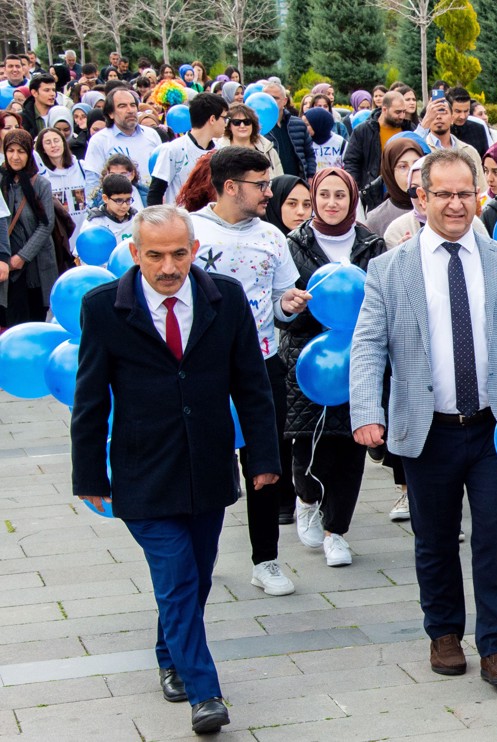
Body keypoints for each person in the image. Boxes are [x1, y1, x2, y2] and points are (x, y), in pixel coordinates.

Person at [70, 205, 281, 735]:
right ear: (135, 253)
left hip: (208, 466)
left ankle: (169, 652)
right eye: (156, 255)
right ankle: (204, 692)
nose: (169, 267)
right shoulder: (104, 308)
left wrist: (263, 457)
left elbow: (251, 385)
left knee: (198, 574)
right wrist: (90, 477)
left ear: (194, 249)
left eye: (179, 253)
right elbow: (90, 399)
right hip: (143, 472)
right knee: (177, 577)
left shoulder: (224, 297)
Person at [349, 148, 497, 688]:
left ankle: (496, 645)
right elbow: (368, 345)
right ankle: (443, 632)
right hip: (427, 428)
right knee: (434, 538)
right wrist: (367, 411)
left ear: (479, 195)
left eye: (465, 192)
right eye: (443, 193)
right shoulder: (389, 268)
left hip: (496, 427)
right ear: (421, 198)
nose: (456, 203)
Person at [192, 146, 308, 597]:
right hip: (201, 370)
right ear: (229, 187)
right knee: (205, 462)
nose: (268, 193)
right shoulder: (191, 229)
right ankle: (205, 549)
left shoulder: (273, 237)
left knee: (265, 464)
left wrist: (288, 305)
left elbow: (280, 299)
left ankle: (267, 560)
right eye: (260, 185)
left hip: (261, 365)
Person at [283, 167, 386, 567]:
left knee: (350, 445)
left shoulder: (371, 245)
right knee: (307, 440)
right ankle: (307, 499)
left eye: (340, 195)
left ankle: (336, 530)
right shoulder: (294, 243)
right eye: (322, 195)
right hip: (310, 359)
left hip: (359, 358)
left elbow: (380, 301)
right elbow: (283, 305)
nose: (331, 203)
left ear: (353, 199)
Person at [1, 129, 54, 325]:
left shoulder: (40, 184)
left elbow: (46, 225)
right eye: (11, 150)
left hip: (35, 266)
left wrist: (22, 257)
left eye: (21, 151)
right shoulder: (1, 182)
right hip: (5, 266)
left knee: (34, 321)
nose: (15, 156)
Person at [148, 92, 226, 206]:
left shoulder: (221, 151)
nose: (226, 124)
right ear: (213, 119)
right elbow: (155, 193)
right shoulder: (173, 149)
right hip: (180, 220)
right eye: (224, 118)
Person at [84, 88, 162, 195]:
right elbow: (93, 183)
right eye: (122, 106)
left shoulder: (151, 135)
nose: (130, 110)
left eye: (133, 105)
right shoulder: (99, 141)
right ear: (110, 113)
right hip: (119, 207)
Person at [345, 91, 412, 196]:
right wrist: (356, 191)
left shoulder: (409, 129)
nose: (402, 116)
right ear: (384, 109)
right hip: (372, 193)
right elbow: (351, 162)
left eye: (404, 112)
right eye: (398, 112)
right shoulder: (363, 131)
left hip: (402, 191)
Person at [416, 96, 485, 193]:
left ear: (452, 118)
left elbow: (482, 190)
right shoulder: (421, 150)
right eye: (434, 113)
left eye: (443, 112)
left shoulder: (470, 151)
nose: (438, 117)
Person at [365, 135, 425, 236]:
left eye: (416, 164)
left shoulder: (438, 205)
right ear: (390, 172)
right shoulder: (376, 219)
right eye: (403, 166)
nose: (411, 171)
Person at [34, 126, 88, 228]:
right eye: (48, 142)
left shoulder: (82, 167)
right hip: (60, 233)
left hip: (84, 229)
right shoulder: (41, 175)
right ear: (43, 149)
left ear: (63, 143)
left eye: (56, 140)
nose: (53, 145)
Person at [262, 83, 316, 180]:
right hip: (273, 184)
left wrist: (311, 176)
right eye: (266, 98)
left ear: (285, 101)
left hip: (298, 182)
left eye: (275, 98)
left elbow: (309, 154)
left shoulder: (298, 124)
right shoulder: (259, 127)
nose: (270, 101)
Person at [218, 103, 282, 176]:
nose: (242, 126)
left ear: (253, 124)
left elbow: (280, 180)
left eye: (247, 122)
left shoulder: (268, 150)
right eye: (237, 122)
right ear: (229, 126)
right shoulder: (219, 150)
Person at [79, 173, 137, 242]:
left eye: (128, 200)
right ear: (105, 198)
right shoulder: (94, 223)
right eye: (118, 200)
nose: (124, 206)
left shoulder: (136, 219)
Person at [447, 86, 493, 156]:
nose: (462, 116)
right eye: (458, 111)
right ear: (448, 108)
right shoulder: (441, 131)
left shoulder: (478, 129)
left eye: (466, 111)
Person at [302, 107, 345, 173]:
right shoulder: (303, 142)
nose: (303, 127)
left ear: (317, 124)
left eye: (307, 125)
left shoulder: (341, 143)